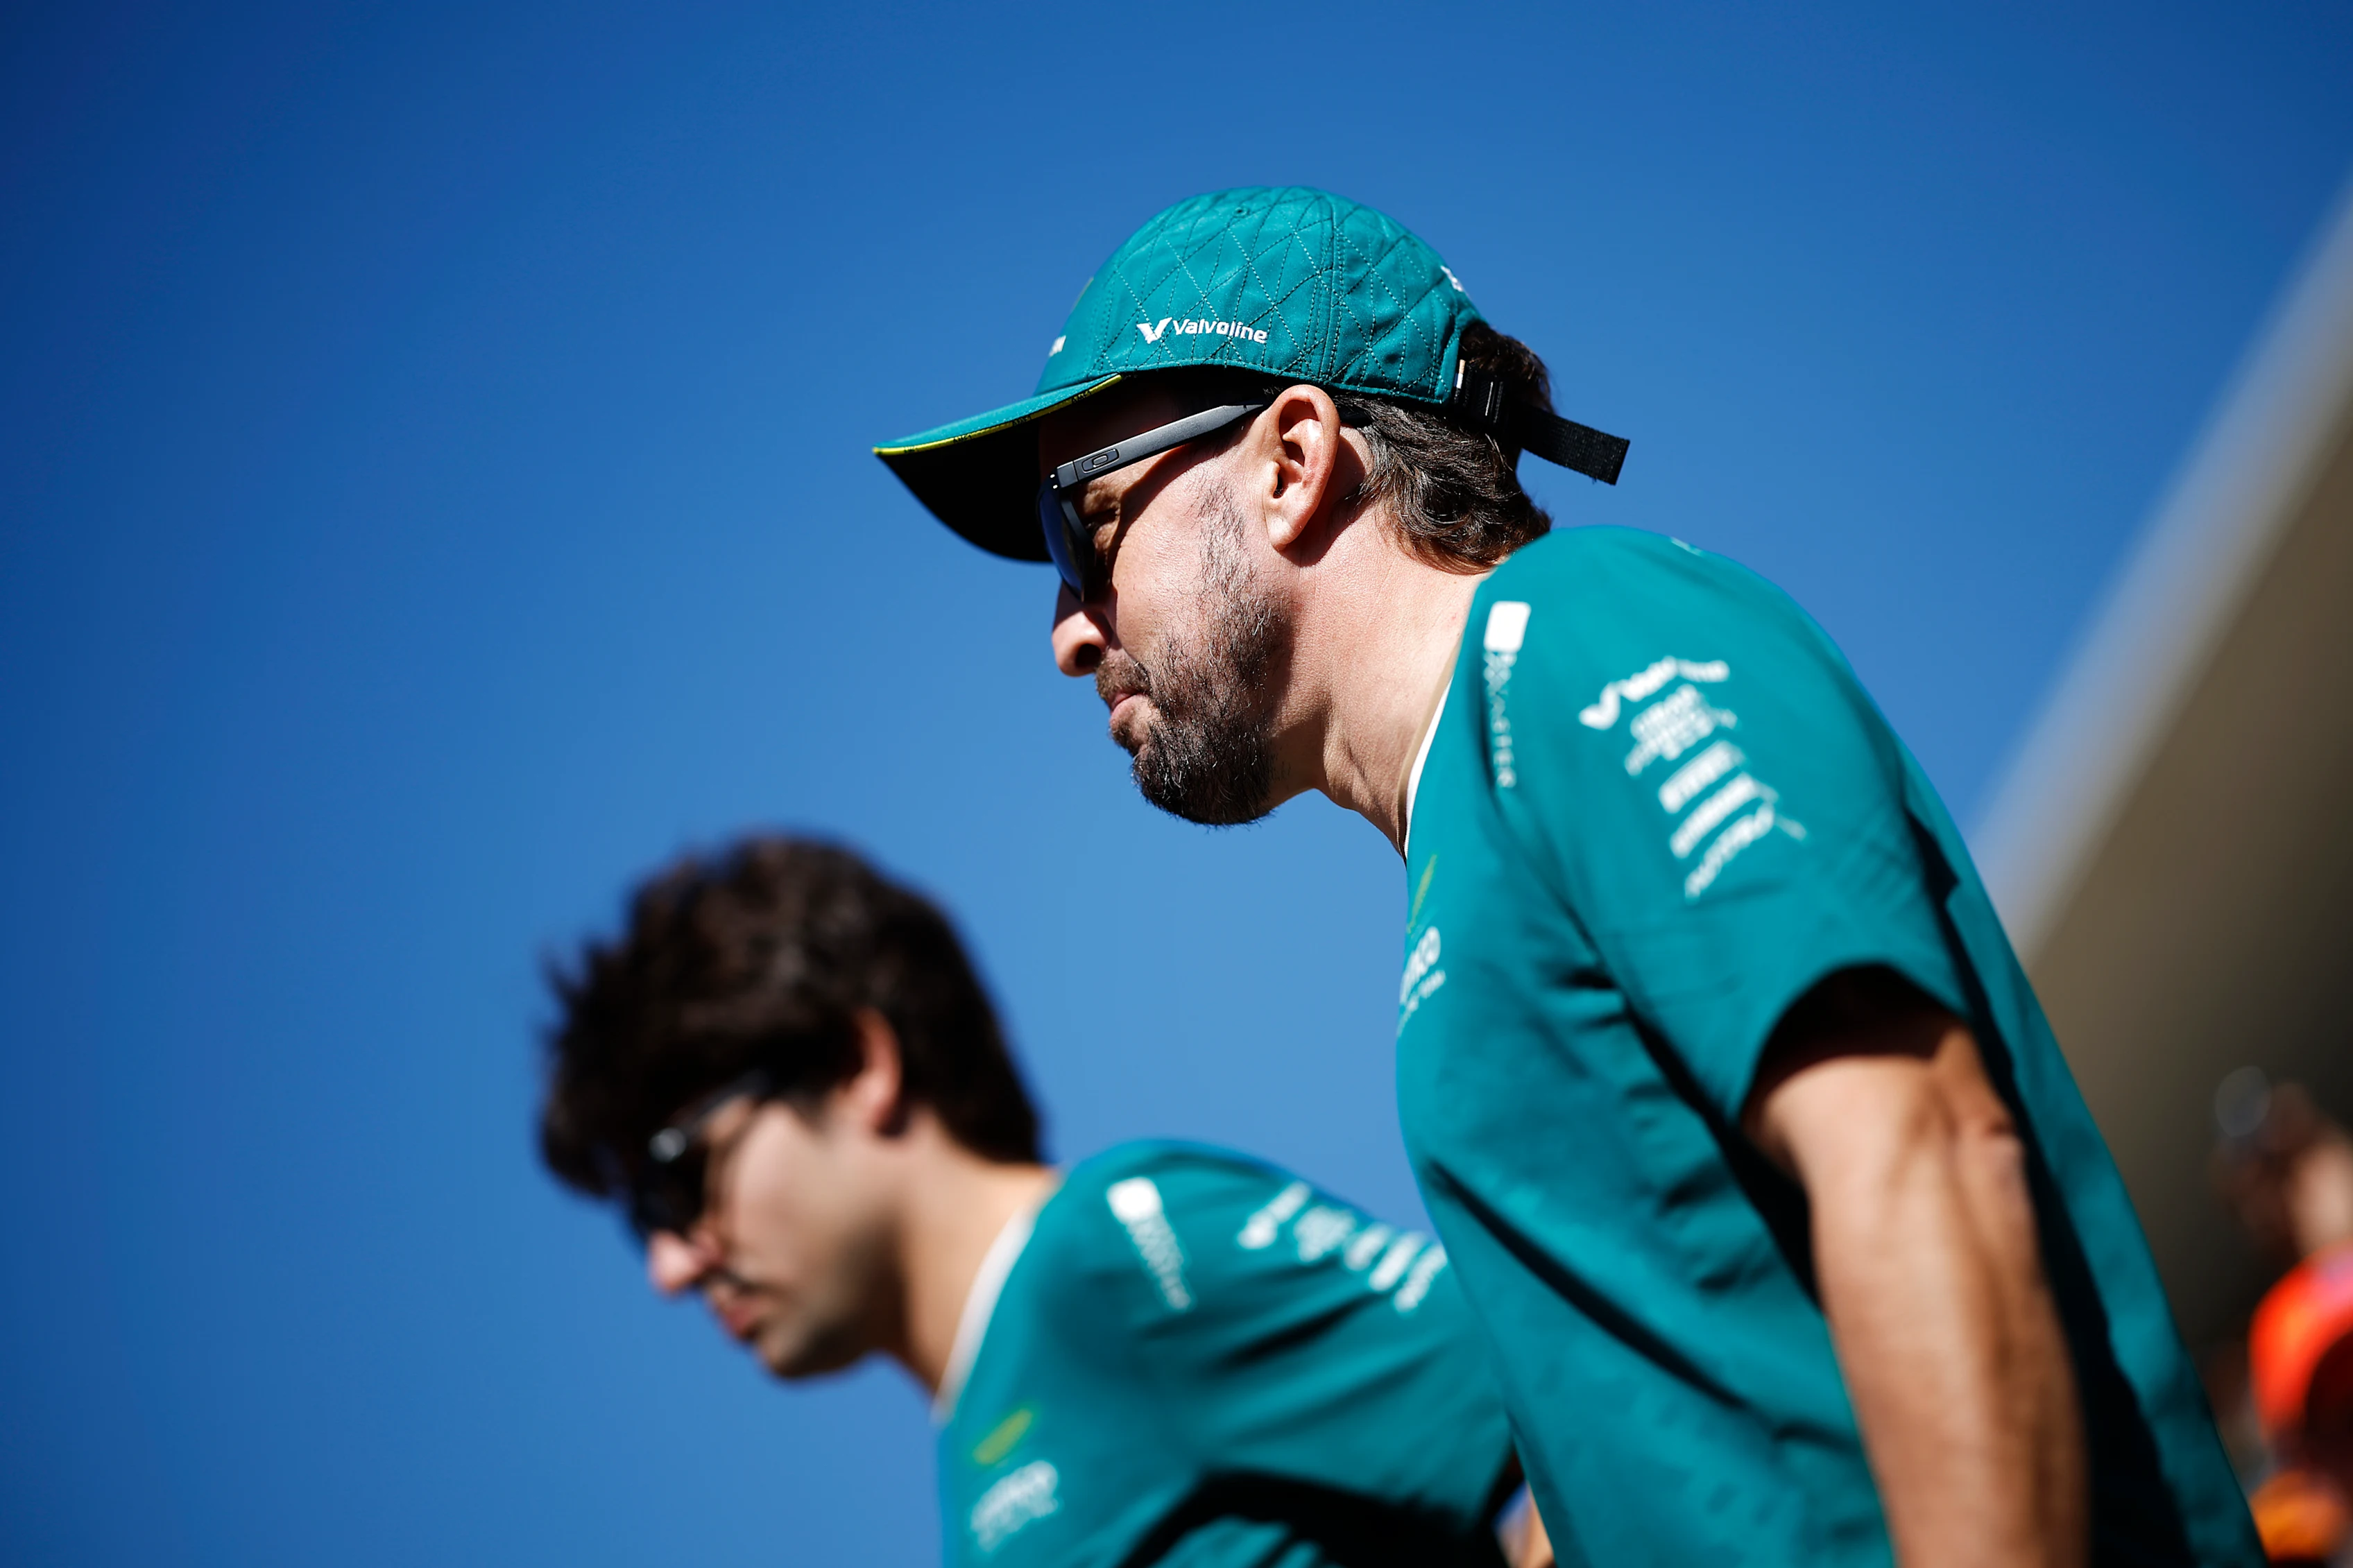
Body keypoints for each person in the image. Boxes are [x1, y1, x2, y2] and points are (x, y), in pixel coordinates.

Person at [875, 186, 2261, 1567]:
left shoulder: (1571, 639)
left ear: (1294, 458)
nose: (1067, 630)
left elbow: (1916, 1153)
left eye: (1086, 532)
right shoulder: (1468, 852)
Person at [537, 832, 1531, 1567]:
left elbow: (1597, 1375)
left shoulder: (1102, 1264)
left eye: (678, 1180)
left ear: (857, 1066)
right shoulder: (973, 1469)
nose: (673, 1267)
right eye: (645, 1227)